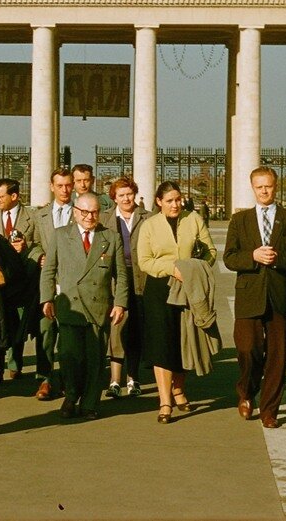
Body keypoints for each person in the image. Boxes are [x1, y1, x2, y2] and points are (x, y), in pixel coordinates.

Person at [223, 167, 286, 428]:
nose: (264, 191)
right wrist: (252, 256)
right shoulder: (240, 220)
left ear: (276, 186)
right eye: (259, 186)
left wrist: (278, 258)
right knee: (247, 349)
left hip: (279, 295)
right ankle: (247, 391)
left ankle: (270, 410)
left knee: (277, 356)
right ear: (252, 188)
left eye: (268, 186)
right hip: (249, 295)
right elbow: (229, 257)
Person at [40, 192, 129, 420]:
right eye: (85, 212)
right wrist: (47, 298)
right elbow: (49, 270)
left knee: (95, 360)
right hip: (70, 307)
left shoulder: (110, 237)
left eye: (94, 212)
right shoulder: (61, 235)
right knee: (69, 357)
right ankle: (71, 396)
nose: (90, 217)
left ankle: (90, 403)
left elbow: (121, 275)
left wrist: (120, 303)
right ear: (75, 212)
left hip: (98, 309)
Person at [137, 180, 218, 424]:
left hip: (187, 288)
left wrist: (192, 268)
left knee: (183, 340)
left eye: (178, 199)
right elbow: (144, 261)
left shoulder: (193, 219)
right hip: (160, 289)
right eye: (170, 201)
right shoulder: (149, 225)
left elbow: (211, 252)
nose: (175, 204)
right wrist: (171, 268)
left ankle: (179, 389)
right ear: (159, 202)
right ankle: (165, 401)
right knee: (162, 344)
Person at [99, 176, 151, 398]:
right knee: (117, 327)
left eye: (129, 194)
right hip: (115, 280)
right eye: (121, 195)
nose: (126, 198)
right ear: (114, 197)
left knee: (136, 329)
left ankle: (133, 378)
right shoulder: (105, 219)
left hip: (141, 279)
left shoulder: (148, 217)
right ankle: (114, 380)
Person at [0, 178, 43, 379]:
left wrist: (27, 249)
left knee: (19, 321)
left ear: (14, 196)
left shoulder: (33, 216)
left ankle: (15, 363)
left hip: (23, 277)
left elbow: (40, 244)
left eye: (0, 196)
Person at [30, 168, 75, 400]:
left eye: (68, 185)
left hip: (72, 282)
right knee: (46, 332)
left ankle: (69, 379)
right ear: (51, 187)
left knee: (69, 335)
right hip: (48, 281)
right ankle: (44, 378)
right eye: (60, 186)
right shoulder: (40, 216)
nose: (65, 190)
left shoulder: (81, 212)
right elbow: (32, 243)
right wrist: (39, 255)